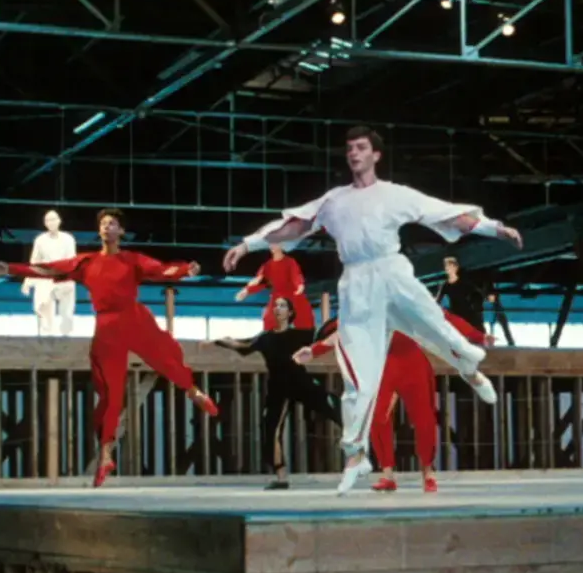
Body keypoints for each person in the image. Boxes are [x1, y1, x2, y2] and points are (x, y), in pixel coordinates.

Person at [223, 125, 522, 495]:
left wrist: (495, 228)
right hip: (357, 283)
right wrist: (248, 244)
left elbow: (446, 215)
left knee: (438, 328)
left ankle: (470, 369)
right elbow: (293, 225)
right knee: (357, 374)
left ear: (376, 155)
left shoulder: (394, 194)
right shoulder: (334, 200)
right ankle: (355, 454)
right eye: (350, 148)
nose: (354, 153)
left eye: (361, 148)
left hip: (392, 272)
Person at [0, 208, 219, 488]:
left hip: (133, 317)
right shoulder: (86, 263)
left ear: (120, 232)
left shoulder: (131, 259)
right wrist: (11, 269)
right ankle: (106, 453)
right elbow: (48, 269)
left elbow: (160, 270)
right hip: (107, 326)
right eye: (103, 223)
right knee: (110, 392)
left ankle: (192, 390)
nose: (107, 226)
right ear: (100, 231)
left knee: (165, 357)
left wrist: (185, 270)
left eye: (112, 224)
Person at [296, 310, 493, 493]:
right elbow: (341, 333)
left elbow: (443, 317)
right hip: (382, 367)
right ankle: (387, 474)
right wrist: (313, 351)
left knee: (424, 418)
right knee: (377, 416)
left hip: (412, 364)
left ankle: (428, 472)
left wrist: (478, 336)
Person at [208, 296, 341, 489]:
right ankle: (281, 478)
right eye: (276, 306)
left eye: (282, 306)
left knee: (335, 411)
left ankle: (361, 451)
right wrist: (219, 341)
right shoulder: (266, 338)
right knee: (270, 430)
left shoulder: (301, 335)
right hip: (278, 386)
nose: (278, 309)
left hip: (300, 382)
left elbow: (324, 335)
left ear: (290, 313)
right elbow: (243, 348)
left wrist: (342, 323)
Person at [236, 243, 315, 332]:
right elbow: (261, 281)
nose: (272, 246)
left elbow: (296, 275)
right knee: (269, 319)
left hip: (294, 294)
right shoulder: (267, 265)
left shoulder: (290, 262)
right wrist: (247, 290)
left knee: (304, 318)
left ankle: (305, 338)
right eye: (271, 244)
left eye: (275, 244)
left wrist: (299, 285)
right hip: (278, 295)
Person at [22, 209, 77, 336]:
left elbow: (72, 260)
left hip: (64, 275)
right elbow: (35, 262)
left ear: (59, 221)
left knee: (67, 311)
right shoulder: (40, 240)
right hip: (46, 276)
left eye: (54, 219)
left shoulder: (68, 239)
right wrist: (27, 281)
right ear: (45, 223)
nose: (51, 222)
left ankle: (66, 334)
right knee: (44, 307)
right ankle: (46, 335)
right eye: (48, 220)